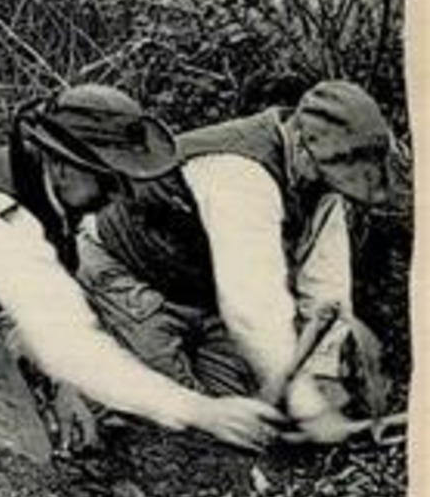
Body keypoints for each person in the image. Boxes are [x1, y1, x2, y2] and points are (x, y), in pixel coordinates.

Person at [0, 84, 286, 478]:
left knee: (28, 458)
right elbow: (68, 341)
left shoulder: (61, 199)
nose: (117, 194)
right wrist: (201, 410)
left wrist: (65, 390)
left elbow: (49, 310)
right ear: (64, 163)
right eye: (107, 178)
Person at [80, 80, 403, 440]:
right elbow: (252, 309)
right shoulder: (240, 174)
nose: (329, 186)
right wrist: (310, 408)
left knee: (242, 417)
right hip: (123, 266)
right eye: (325, 175)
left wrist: (322, 371)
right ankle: (66, 376)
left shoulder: (320, 181)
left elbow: (325, 281)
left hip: (195, 290)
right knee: (182, 418)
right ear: (299, 141)